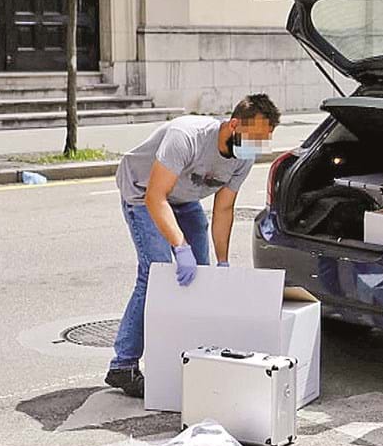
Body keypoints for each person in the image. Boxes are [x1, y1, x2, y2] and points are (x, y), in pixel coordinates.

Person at [105, 94, 281, 397]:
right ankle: (123, 365)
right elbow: (155, 198)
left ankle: (195, 357)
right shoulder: (186, 137)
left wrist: (222, 263)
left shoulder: (244, 156)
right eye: (255, 137)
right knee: (155, 274)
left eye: (264, 140)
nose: (257, 146)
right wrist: (180, 247)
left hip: (184, 199)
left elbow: (224, 209)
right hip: (143, 192)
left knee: (203, 276)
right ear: (235, 124)